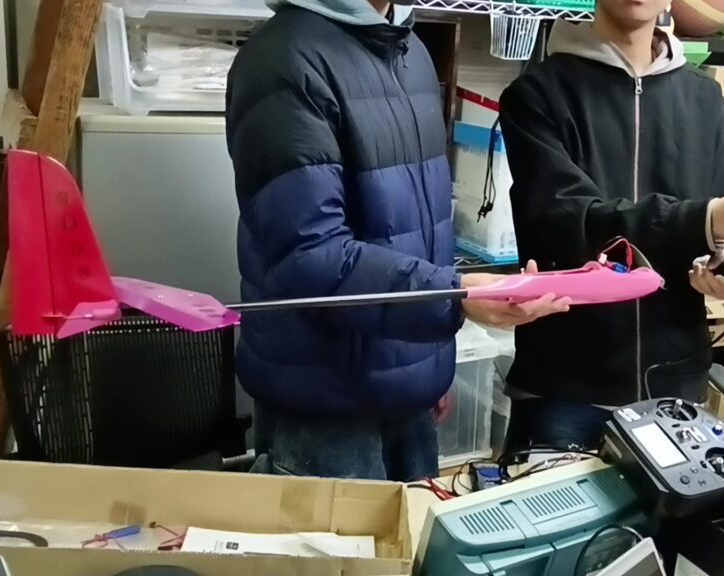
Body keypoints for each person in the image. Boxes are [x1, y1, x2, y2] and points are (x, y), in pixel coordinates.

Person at [224, 0, 569, 481]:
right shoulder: (283, 58)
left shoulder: (409, 48)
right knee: (336, 534)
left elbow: (419, 227)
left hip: (407, 393)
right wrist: (453, 297)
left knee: (414, 528)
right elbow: (308, 256)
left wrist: (428, 364)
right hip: (323, 406)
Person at [498, 0, 724, 452]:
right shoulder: (537, 94)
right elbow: (567, 222)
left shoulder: (705, 99)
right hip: (566, 386)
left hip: (676, 387)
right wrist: (703, 220)